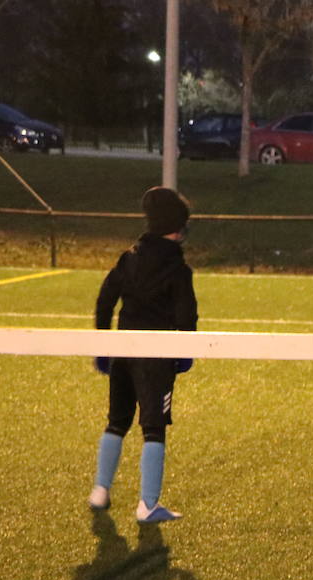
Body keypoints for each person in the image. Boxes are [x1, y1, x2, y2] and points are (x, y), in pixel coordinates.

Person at [89, 186, 198, 523]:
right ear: (178, 227)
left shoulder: (130, 257)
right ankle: (148, 504)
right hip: (157, 355)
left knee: (116, 420)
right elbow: (186, 315)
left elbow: (105, 299)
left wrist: (103, 344)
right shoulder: (178, 268)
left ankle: (100, 489)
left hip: (123, 348)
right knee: (154, 427)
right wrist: (185, 352)